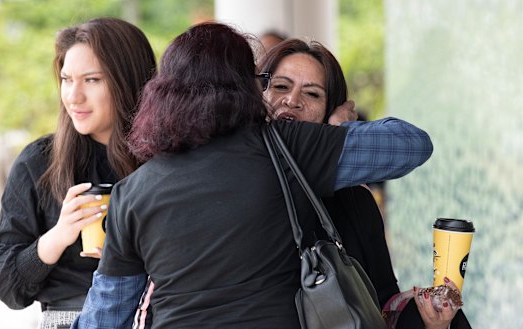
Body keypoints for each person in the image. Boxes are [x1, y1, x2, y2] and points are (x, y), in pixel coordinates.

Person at [72, 22, 433, 329]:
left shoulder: (131, 193)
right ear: (246, 87)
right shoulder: (285, 149)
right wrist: (338, 132)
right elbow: (411, 146)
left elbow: (105, 315)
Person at [258, 38, 470, 329]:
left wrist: (430, 321)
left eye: (312, 93)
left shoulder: (353, 200)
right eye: (281, 87)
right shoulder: (236, 177)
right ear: (257, 92)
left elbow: (380, 303)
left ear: (329, 111)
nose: (293, 100)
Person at [0, 17, 156, 328]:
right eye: (67, 79)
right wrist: (59, 236)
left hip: (152, 316)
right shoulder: (40, 162)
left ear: (128, 80)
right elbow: (6, 285)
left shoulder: (163, 161)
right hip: (67, 318)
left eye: (92, 80)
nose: (73, 96)